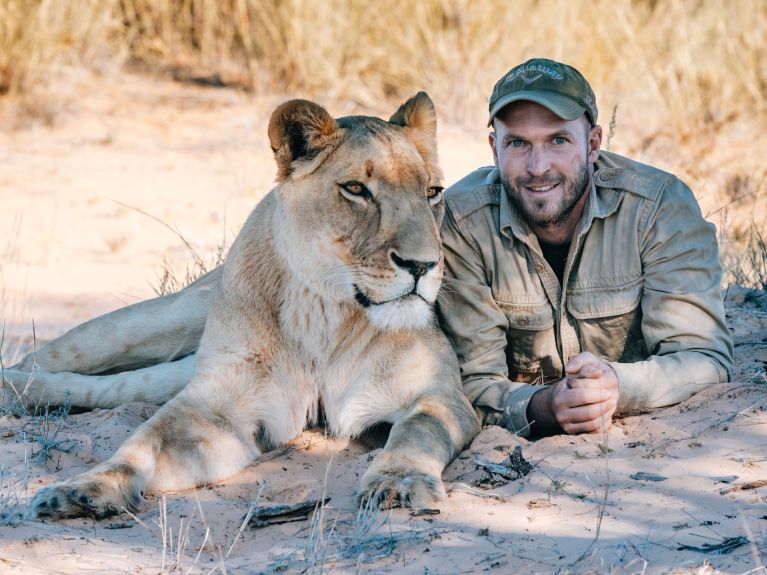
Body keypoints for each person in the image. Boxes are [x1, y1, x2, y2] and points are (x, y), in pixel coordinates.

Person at [438, 58, 734, 438]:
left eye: (558, 140)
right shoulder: (461, 224)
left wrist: (616, 386)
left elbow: (705, 357)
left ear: (593, 144)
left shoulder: (659, 207)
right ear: (494, 148)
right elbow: (471, 382)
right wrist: (544, 407)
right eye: (518, 143)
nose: (538, 166)